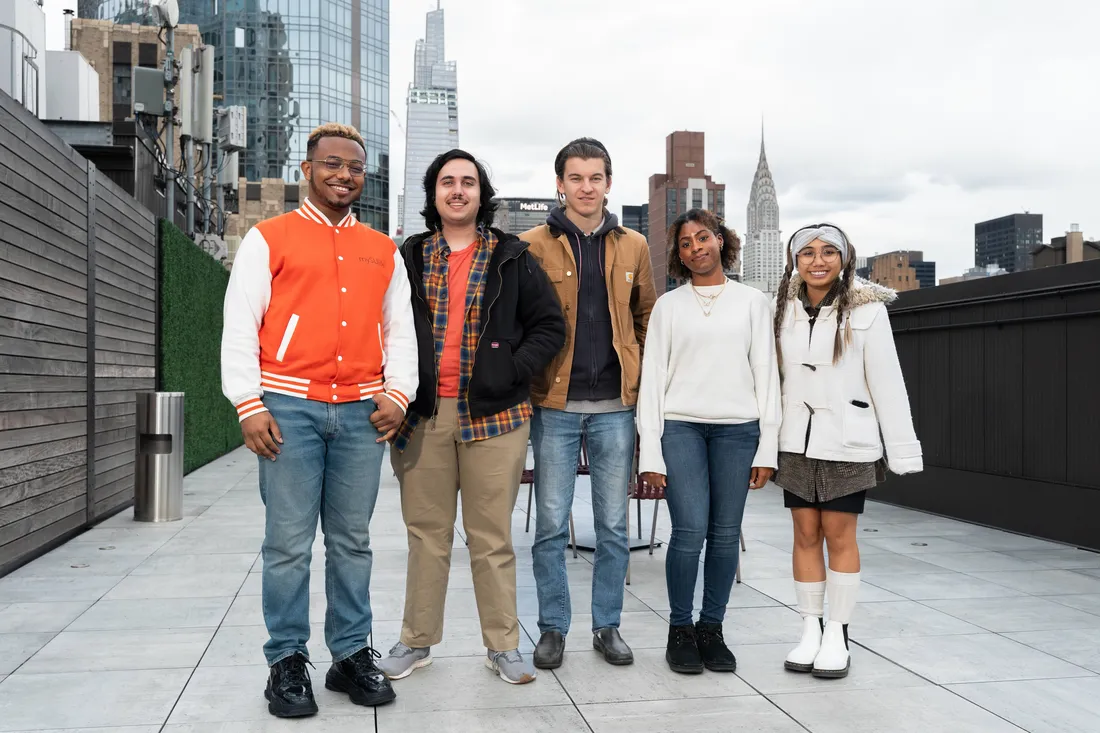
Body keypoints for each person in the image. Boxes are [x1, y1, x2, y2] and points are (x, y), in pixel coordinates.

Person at [221, 123, 416, 717]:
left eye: (355, 167)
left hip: (361, 413)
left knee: (353, 542)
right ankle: (285, 662)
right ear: (308, 169)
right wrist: (248, 404)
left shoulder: (383, 249)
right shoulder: (268, 237)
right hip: (288, 409)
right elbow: (239, 326)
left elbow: (400, 331)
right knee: (287, 544)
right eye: (331, 164)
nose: (343, 175)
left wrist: (399, 395)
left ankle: (351, 654)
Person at [378, 149, 566, 685]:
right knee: (427, 536)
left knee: (491, 538)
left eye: (467, 182)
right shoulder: (407, 255)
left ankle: (503, 646)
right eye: (446, 182)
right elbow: (380, 325)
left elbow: (550, 327)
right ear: (432, 195)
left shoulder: (512, 255)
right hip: (423, 417)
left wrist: (511, 367)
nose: (457, 190)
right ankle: (416, 642)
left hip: (495, 419)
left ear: (481, 194)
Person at [520, 137, 656, 669]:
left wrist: (640, 381)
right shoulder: (531, 244)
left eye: (595, 177)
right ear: (560, 184)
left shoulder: (635, 246)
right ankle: (553, 628)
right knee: (551, 524)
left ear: (608, 183)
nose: (585, 187)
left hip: (615, 407)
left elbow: (646, 320)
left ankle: (608, 626)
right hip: (553, 405)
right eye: (575, 178)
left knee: (613, 525)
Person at [773, 224, 922, 679]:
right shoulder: (779, 309)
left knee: (839, 535)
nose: (817, 261)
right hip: (796, 440)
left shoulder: (869, 310)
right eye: (807, 253)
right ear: (794, 261)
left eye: (828, 252)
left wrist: (901, 448)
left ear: (845, 257)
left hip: (847, 439)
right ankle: (809, 629)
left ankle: (837, 632)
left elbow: (888, 382)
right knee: (803, 534)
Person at [637, 208, 780, 675]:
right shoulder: (668, 306)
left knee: (723, 536)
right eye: (685, 243)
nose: (695, 247)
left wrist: (767, 448)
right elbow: (652, 381)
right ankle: (680, 629)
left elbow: (767, 375)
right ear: (678, 255)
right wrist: (651, 451)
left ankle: (711, 628)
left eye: (703, 238)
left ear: (721, 240)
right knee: (690, 530)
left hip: (739, 431)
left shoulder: (753, 301)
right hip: (680, 426)